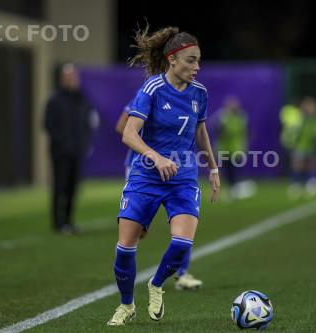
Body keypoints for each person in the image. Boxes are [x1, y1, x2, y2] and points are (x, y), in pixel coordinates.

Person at [107, 25, 220, 326]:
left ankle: (156, 285)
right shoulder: (152, 89)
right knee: (125, 249)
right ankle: (126, 305)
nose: (197, 67)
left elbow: (201, 132)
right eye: (190, 60)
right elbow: (128, 134)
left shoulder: (200, 93)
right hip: (146, 177)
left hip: (182, 179)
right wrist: (155, 157)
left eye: (198, 60)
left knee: (182, 244)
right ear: (172, 60)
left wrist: (213, 168)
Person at [115, 100, 204, 290]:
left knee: (183, 221)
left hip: (173, 167)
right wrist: (149, 145)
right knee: (139, 232)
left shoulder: (185, 97)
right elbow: (122, 127)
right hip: (142, 168)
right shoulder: (146, 96)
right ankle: (127, 272)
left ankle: (182, 273)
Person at [44, 63, 99, 234]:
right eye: (68, 77)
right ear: (62, 79)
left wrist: (84, 142)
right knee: (59, 187)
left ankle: (68, 221)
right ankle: (57, 223)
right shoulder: (54, 100)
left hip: (78, 150)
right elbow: (47, 124)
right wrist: (62, 143)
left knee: (73, 188)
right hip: (60, 152)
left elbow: (90, 122)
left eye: (74, 77)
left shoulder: (82, 100)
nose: (72, 80)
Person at [288, 96, 316, 198]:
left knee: (312, 165)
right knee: (297, 165)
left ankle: (311, 183)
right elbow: (295, 131)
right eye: (308, 106)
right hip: (300, 145)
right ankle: (295, 184)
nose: (310, 109)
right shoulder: (300, 118)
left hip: (312, 145)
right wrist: (292, 142)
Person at [216, 96, 248, 198]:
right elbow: (217, 132)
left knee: (233, 170)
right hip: (224, 149)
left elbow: (246, 132)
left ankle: (233, 188)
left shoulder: (241, 117)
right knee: (226, 170)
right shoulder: (223, 117)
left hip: (236, 149)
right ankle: (230, 188)